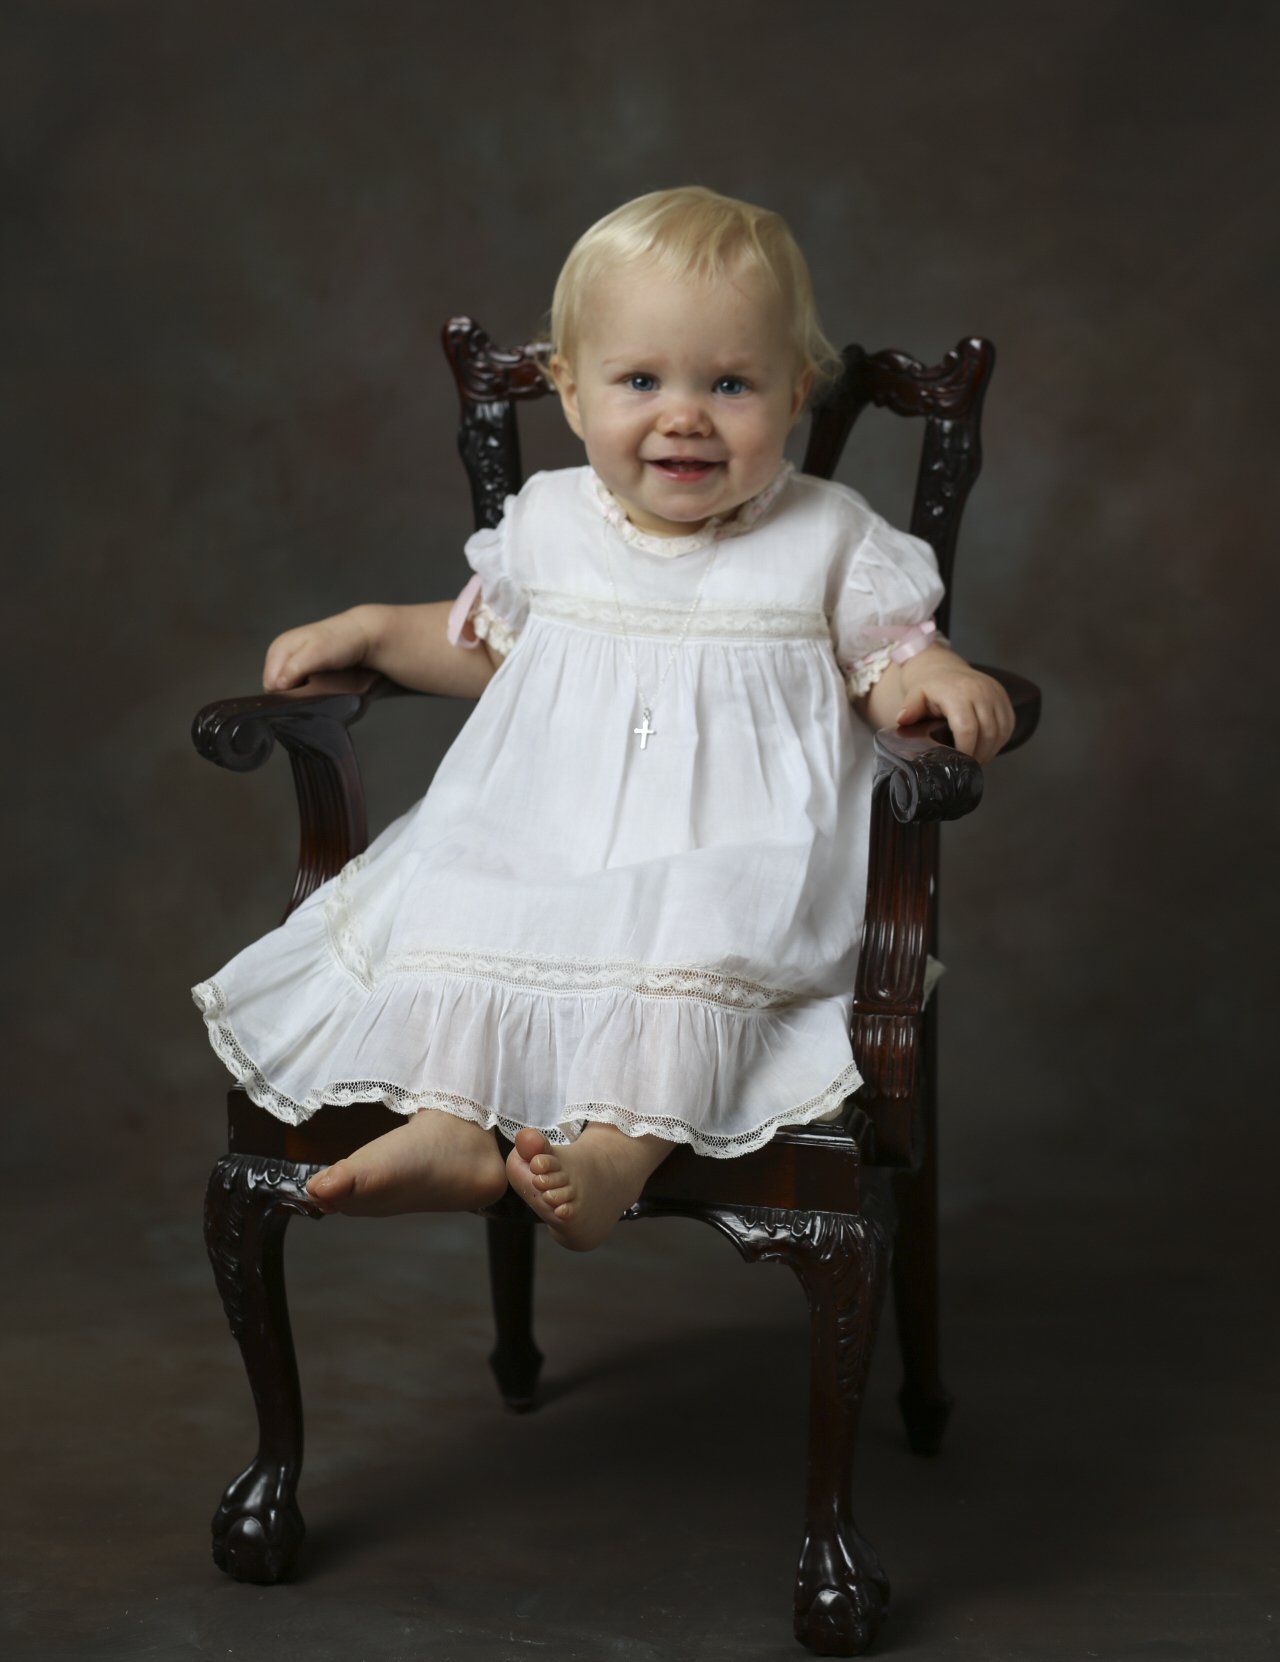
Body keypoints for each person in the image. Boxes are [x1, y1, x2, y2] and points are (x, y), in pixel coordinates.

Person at [191, 185, 1015, 1252]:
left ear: (795, 392)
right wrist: (369, 627)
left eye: (729, 383)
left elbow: (882, 667)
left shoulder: (825, 535)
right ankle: (446, 1128)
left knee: (702, 929)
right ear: (571, 395)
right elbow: (484, 643)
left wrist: (935, 674)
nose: (683, 415)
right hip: (543, 833)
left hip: (735, 849)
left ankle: (614, 1145)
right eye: (639, 380)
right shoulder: (547, 523)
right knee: (453, 897)